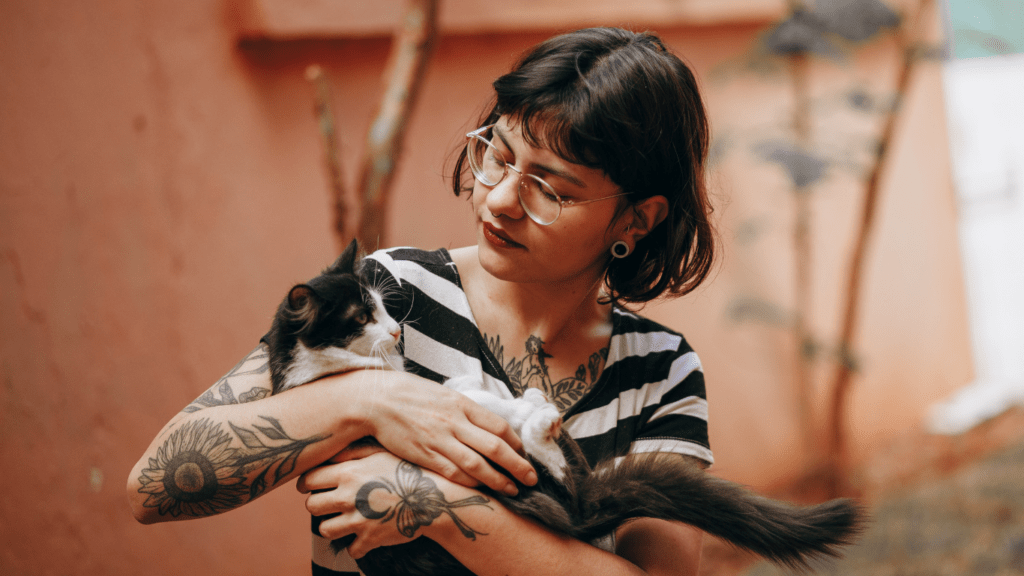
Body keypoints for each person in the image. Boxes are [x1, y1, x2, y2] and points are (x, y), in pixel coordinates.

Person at [127, 26, 716, 576]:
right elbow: (154, 487)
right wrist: (370, 397)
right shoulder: (392, 298)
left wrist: (441, 508)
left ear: (637, 219)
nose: (501, 199)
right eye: (499, 155)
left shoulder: (660, 372)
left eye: (550, 189)